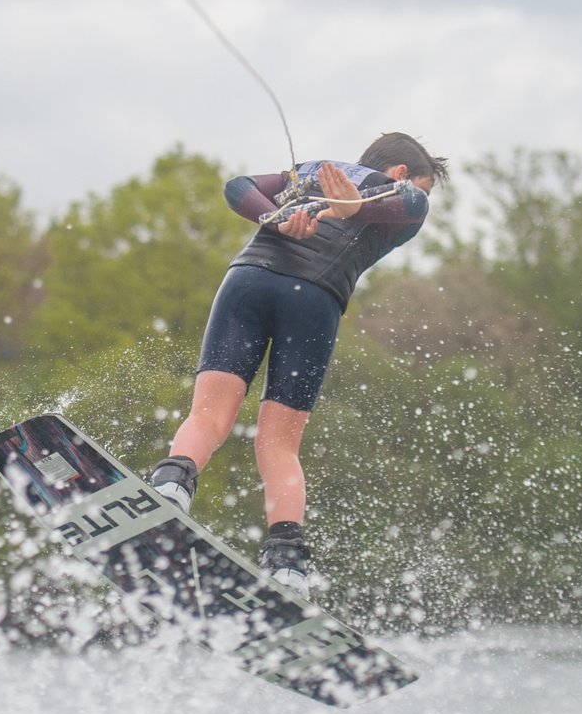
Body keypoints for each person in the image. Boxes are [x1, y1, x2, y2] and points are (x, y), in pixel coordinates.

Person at [148, 132, 448, 590]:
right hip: (312, 298)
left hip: (247, 282)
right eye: (423, 184)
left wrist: (278, 213)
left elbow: (238, 186)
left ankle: (171, 484)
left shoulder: (309, 171)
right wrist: (352, 211)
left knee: (207, 414)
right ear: (403, 173)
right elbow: (412, 206)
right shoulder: (402, 195)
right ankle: (286, 563)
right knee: (279, 444)